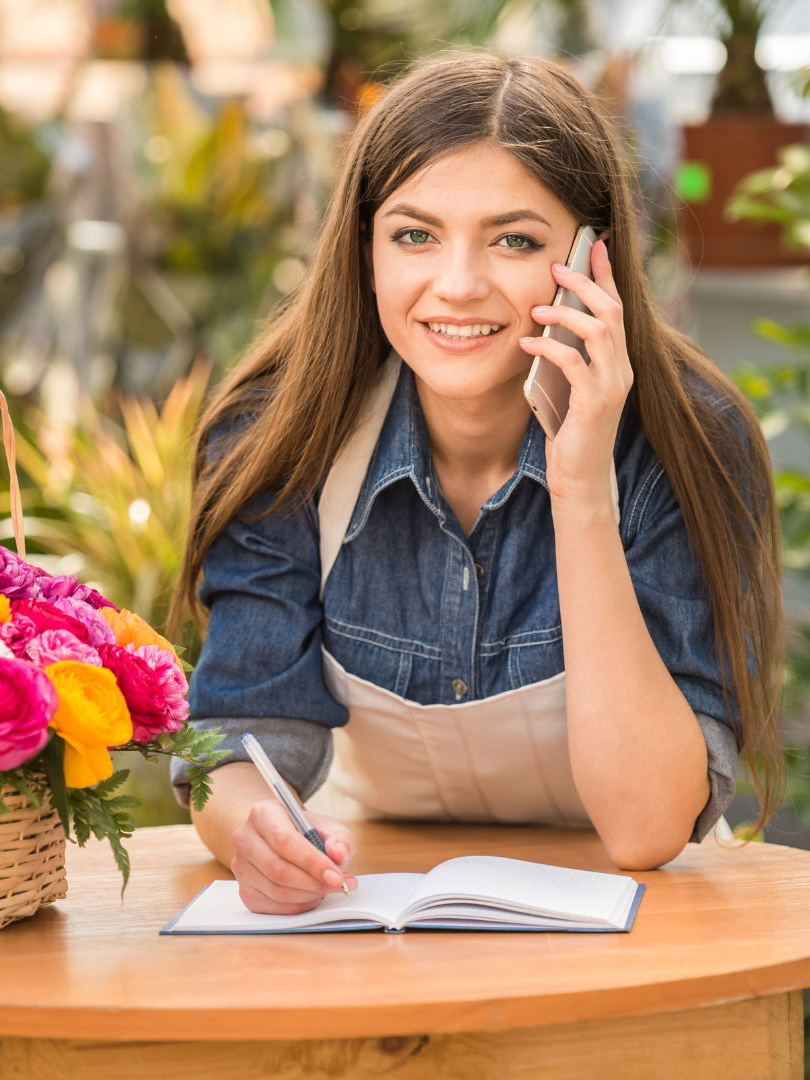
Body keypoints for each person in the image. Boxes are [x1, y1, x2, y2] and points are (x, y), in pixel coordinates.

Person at [168, 52, 783, 915]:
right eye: (415, 235)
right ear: (366, 249)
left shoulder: (689, 443)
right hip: (370, 906)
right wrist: (252, 833)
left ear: (591, 258)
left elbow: (648, 829)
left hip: (636, 922)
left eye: (516, 240)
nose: (456, 286)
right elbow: (237, 745)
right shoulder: (278, 437)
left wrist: (580, 490)